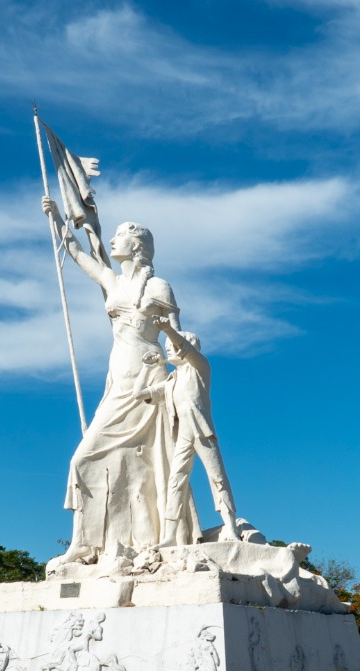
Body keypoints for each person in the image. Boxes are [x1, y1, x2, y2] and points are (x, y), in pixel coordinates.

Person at [42, 198, 196, 567]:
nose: (112, 242)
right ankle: (84, 543)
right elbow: (77, 253)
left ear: (137, 246)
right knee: (84, 458)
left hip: (147, 379)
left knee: (149, 464)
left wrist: (181, 375)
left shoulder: (158, 286)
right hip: (118, 376)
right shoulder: (112, 280)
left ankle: (150, 540)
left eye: (119, 238)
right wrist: (57, 218)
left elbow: (178, 340)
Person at [150, 317, 238, 544]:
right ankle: (170, 536)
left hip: (202, 431)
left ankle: (231, 527)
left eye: (173, 347)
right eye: (169, 348)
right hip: (184, 435)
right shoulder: (171, 381)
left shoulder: (200, 367)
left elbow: (185, 349)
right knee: (175, 481)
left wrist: (168, 329)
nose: (171, 350)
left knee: (217, 478)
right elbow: (146, 393)